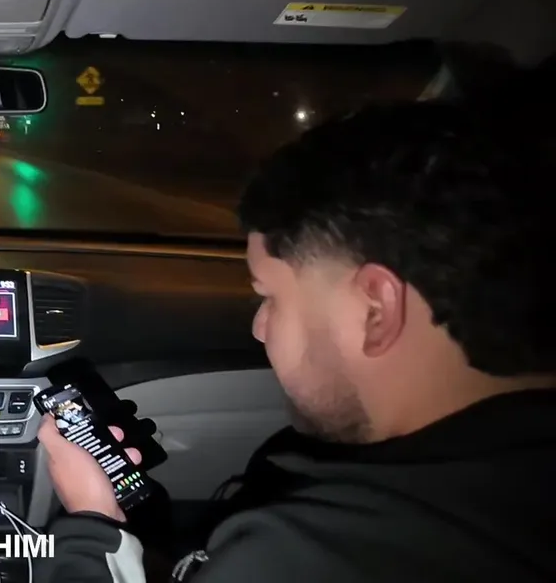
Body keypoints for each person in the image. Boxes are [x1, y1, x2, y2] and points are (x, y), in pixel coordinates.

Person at [36, 101, 556, 583]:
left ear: (376, 311)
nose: (259, 327)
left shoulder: (293, 554)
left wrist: (93, 525)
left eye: (269, 296)